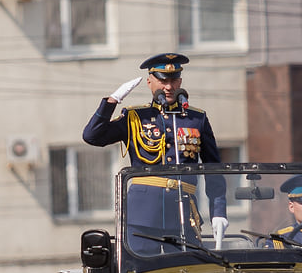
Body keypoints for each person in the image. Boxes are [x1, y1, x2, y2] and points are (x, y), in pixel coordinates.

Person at [83, 52, 227, 254]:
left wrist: (218, 211)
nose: (169, 87)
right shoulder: (135, 117)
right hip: (142, 216)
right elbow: (92, 136)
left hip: (183, 216)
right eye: (162, 80)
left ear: (180, 81)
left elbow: (214, 169)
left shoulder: (196, 118)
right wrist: (112, 102)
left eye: (174, 80)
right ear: (150, 82)